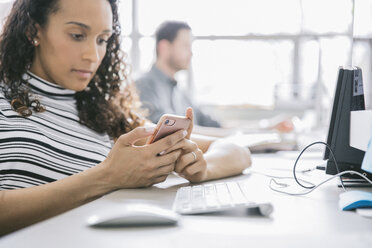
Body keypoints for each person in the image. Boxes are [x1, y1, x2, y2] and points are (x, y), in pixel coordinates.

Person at [0, 0, 251, 236]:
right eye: (77, 35)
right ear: (34, 30)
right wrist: (107, 176)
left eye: (102, 39)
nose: (93, 55)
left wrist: (203, 169)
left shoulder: (102, 113)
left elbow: (237, 151)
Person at [135, 21, 221, 128]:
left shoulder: (180, 91)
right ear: (164, 47)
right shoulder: (142, 86)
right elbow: (164, 131)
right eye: (185, 46)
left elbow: (206, 121)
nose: (191, 53)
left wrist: (234, 133)